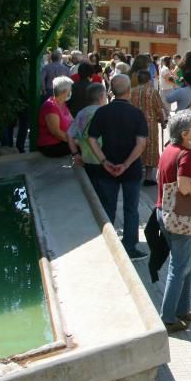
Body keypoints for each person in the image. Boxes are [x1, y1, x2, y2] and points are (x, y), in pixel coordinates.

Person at [156, 110, 191, 333]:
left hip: (163, 212)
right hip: (180, 217)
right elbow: (185, 187)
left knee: (184, 264)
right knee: (179, 267)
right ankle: (168, 317)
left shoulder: (170, 148)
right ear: (185, 133)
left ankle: (182, 309)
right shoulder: (186, 155)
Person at [87, 74, 150, 259]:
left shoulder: (102, 112)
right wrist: (126, 164)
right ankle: (129, 247)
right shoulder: (137, 114)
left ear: (110, 91)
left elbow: (91, 140)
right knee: (131, 209)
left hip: (107, 167)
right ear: (129, 91)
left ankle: (107, 244)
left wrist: (104, 161)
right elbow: (141, 144)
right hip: (131, 169)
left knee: (108, 207)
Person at [129, 70, 167, 186]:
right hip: (149, 124)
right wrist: (162, 121)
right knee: (150, 148)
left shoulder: (132, 91)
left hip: (134, 123)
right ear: (149, 79)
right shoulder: (153, 92)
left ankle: (136, 172)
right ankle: (148, 177)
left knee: (136, 145)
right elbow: (159, 109)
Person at [67, 82, 107, 167]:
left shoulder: (81, 113)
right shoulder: (105, 113)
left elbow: (69, 135)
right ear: (102, 96)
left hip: (86, 160)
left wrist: (75, 154)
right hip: (104, 160)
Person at [37, 75, 74, 157]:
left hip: (63, 141)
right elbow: (56, 132)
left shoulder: (62, 104)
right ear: (64, 92)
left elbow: (73, 122)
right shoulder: (50, 106)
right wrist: (74, 141)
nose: (71, 92)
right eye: (70, 90)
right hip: (51, 145)